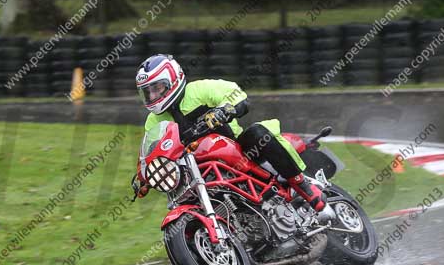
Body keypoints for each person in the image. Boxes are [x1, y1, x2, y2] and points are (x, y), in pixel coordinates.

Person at [133, 54, 335, 221]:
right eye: (147, 92)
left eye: (157, 88)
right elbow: (153, 148)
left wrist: (224, 111)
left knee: (257, 133)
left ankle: (306, 189)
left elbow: (236, 95)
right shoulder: (153, 120)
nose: (152, 96)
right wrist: (143, 175)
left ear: (172, 80)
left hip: (239, 148)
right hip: (197, 167)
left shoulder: (200, 90)